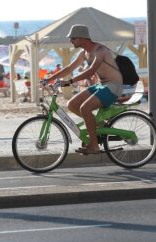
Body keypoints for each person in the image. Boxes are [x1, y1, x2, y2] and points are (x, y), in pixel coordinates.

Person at [44, 24, 122, 155]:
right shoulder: (84, 53)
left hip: (114, 86)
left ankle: (94, 145)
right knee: (72, 104)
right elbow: (69, 68)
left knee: (85, 108)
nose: (70, 41)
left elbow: (90, 71)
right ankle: (99, 125)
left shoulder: (100, 51)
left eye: (73, 38)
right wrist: (49, 79)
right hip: (102, 85)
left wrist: (69, 82)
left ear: (82, 38)